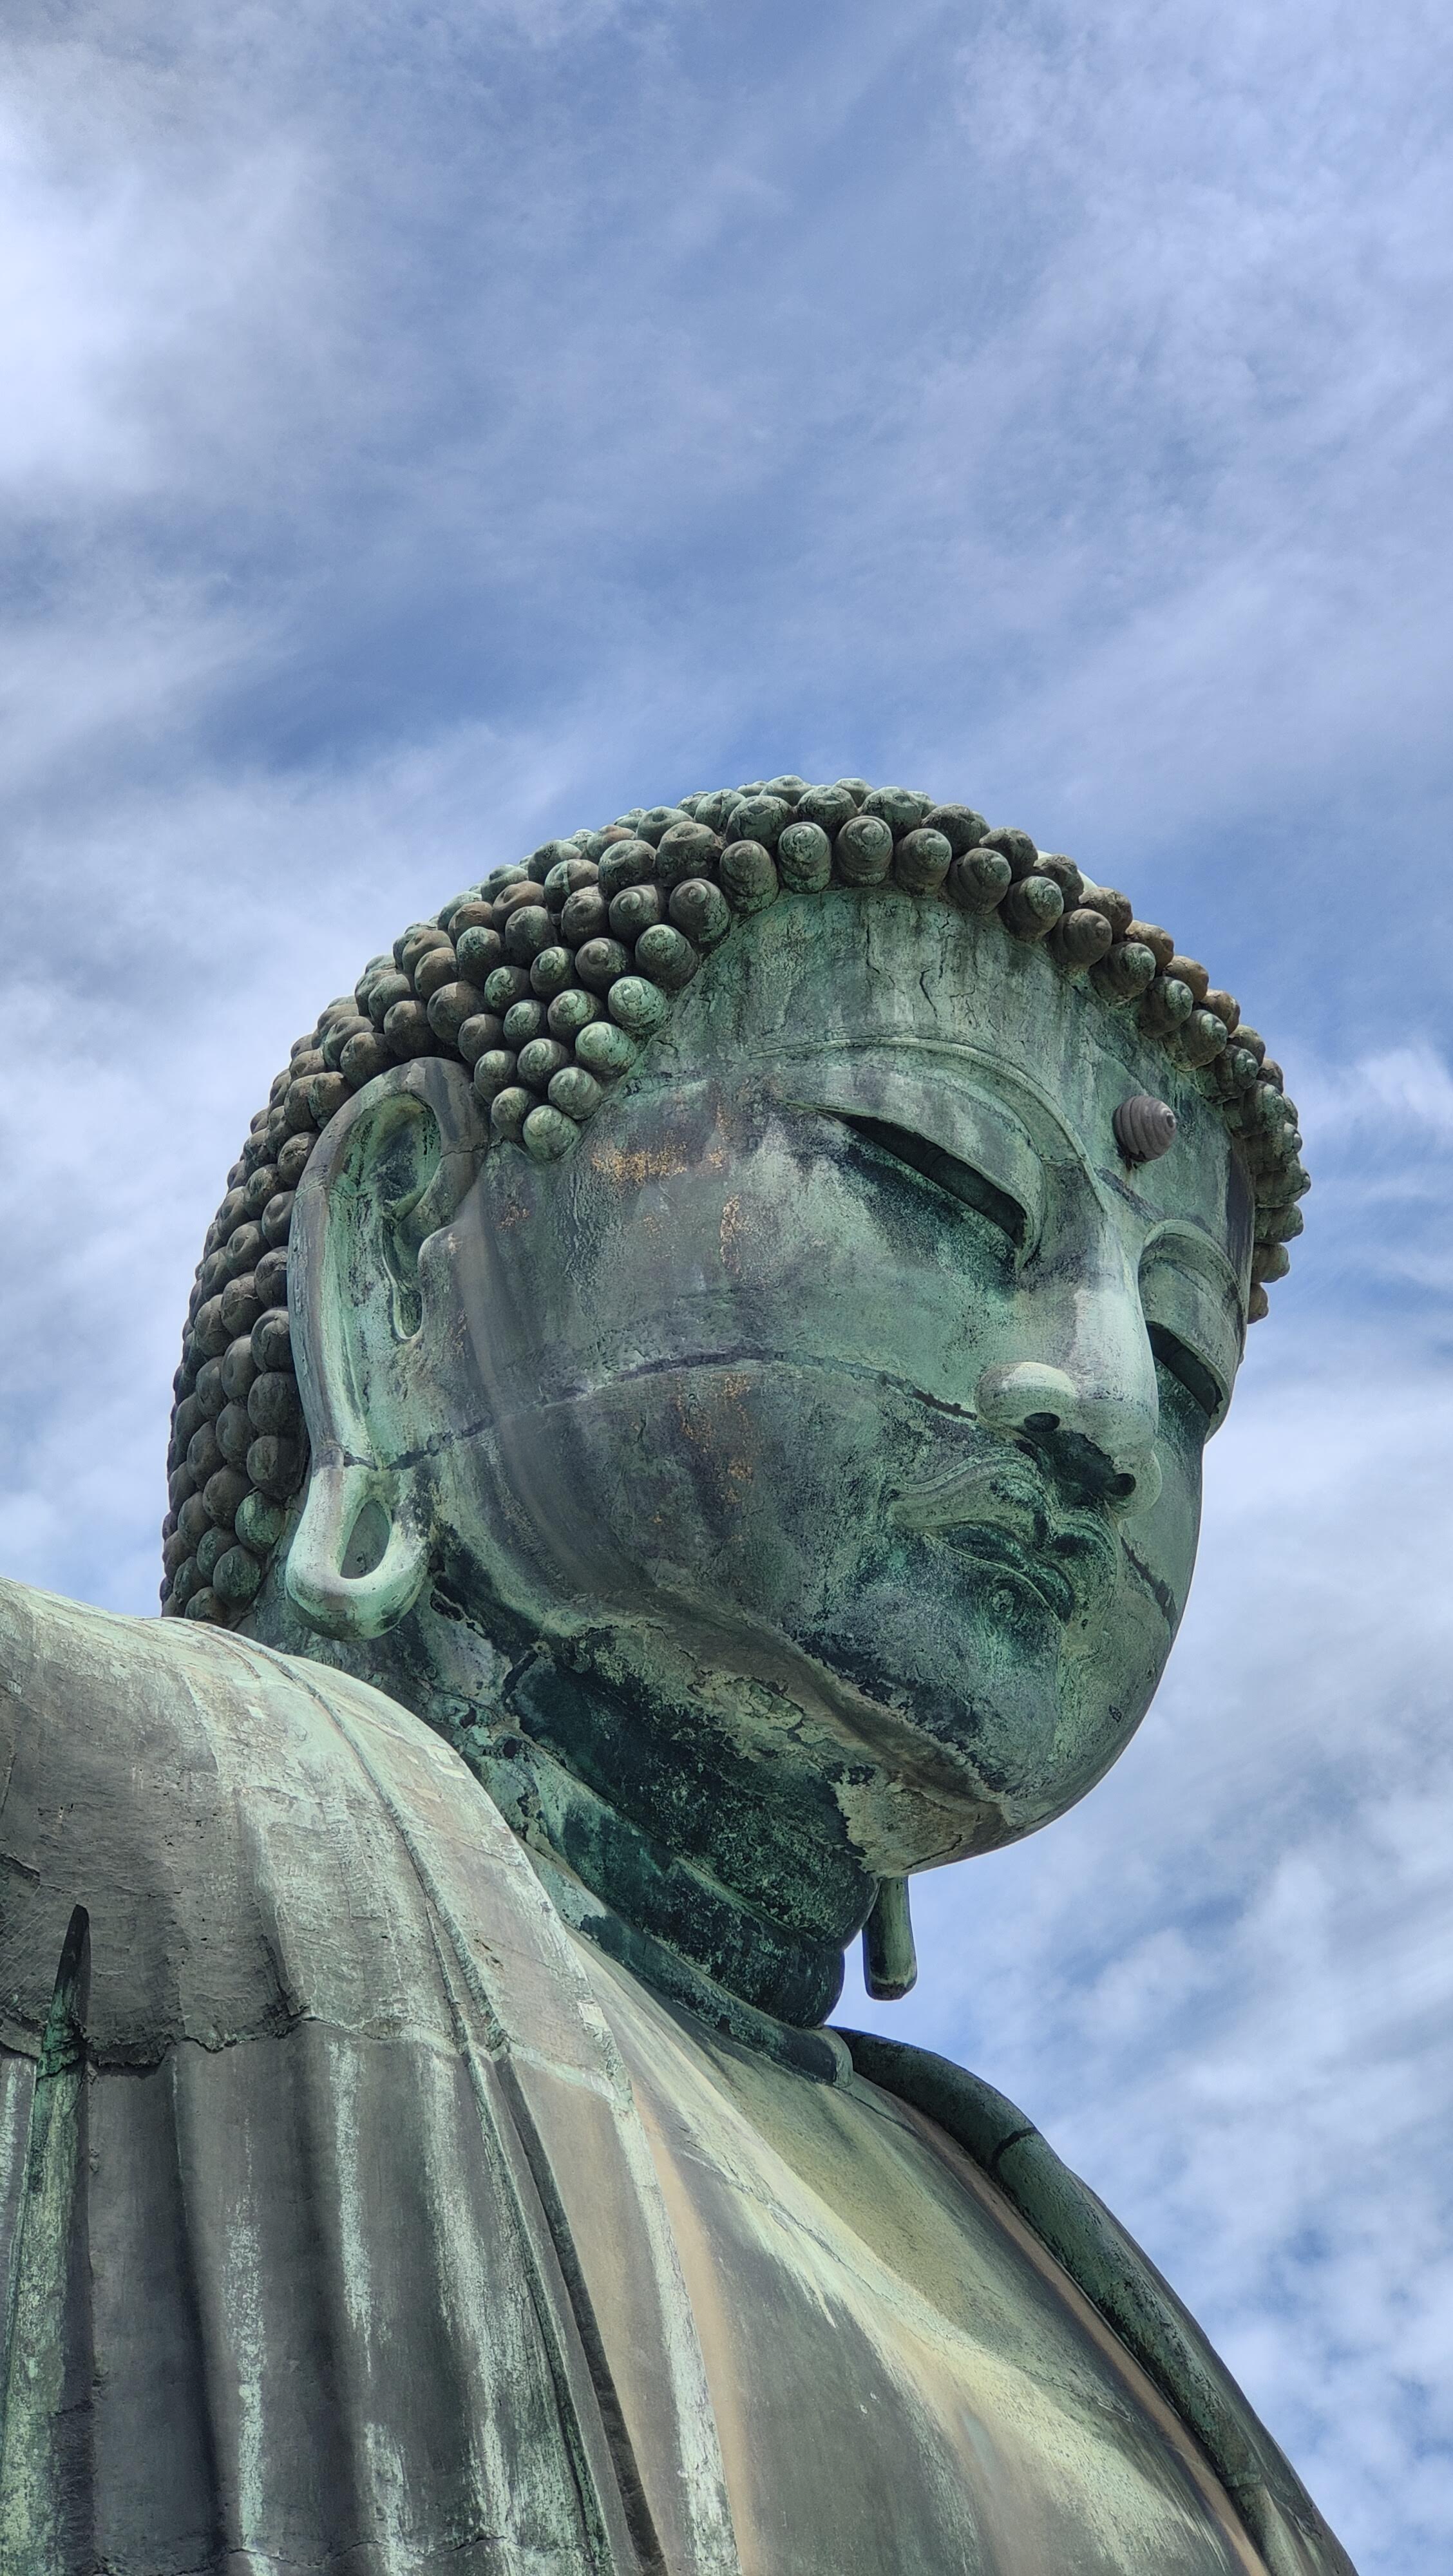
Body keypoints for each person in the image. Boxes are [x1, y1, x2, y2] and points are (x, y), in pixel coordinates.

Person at [0, 778, 1345, 2575]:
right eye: (936, 1178)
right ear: (401, 1269)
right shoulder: (69, 1789)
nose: (1104, 1407)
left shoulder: (1069, 2282)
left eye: (1186, 1367)